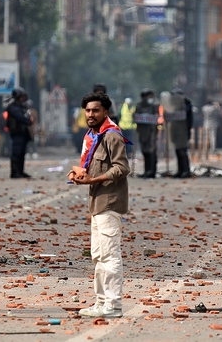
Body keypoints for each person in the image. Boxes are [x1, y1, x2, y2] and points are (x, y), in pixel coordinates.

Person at [68, 91, 129, 319]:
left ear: (106, 112)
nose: (90, 114)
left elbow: (122, 168)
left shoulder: (111, 136)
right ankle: (101, 302)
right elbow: (93, 168)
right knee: (98, 256)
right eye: (88, 110)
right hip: (96, 203)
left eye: (95, 110)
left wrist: (93, 180)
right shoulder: (93, 136)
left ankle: (113, 305)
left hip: (110, 202)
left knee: (110, 255)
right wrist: (80, 174)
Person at [164, 88, 193, 178]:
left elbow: (187, 116)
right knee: (177, 150)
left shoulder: (186, 104)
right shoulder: (172, 105)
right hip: (175, 129)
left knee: (182, 151)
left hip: (183, 130)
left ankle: (186, 171)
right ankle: (180, 170)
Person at [6, 87, 34, 178]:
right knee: (16, 153)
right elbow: (20, 117)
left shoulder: (21, 106)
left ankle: (20, 171)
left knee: (22, 153)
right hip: (17, 132)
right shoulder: (13, 107)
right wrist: (28, 121)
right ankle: (14, 172)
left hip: (23, 133)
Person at [133, 89, 160, 178]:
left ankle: (152, 171)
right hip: (142, 131)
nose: (150, 98)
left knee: (151, 150)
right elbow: (135, 117)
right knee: (144, 151)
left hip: (151, 130)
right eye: (148, 96)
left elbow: (157, 117)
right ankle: (147, 170)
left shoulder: (154, 105)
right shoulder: (139, 106)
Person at [119, 97, 135, 166]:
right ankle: (125, 154)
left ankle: (129, 154)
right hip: (123, 127)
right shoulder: (122, 107)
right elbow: (119, 115)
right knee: (123, 142)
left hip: (130, 127)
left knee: (129, 141)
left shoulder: (133, 108)